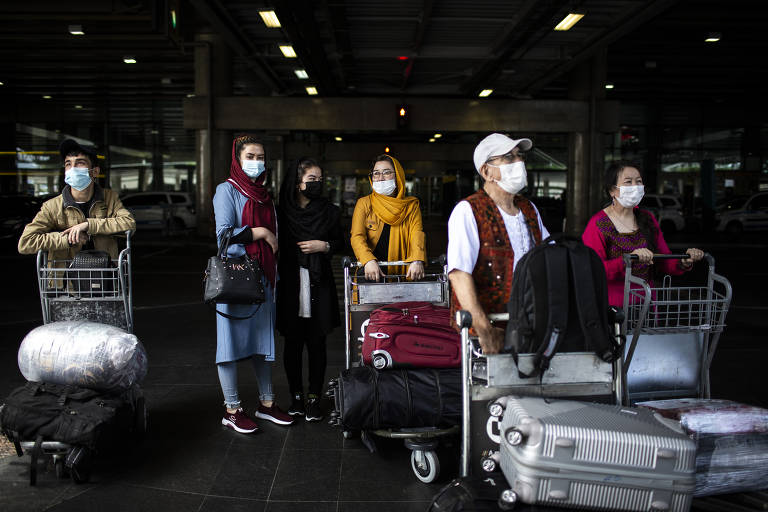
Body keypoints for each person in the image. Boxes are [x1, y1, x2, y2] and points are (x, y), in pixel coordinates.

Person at [213, 135, 294, 434]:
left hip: (263, 278)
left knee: (262, 343)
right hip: (236, 278)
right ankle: (232, 409)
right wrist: (260, 232)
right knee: (229, 345)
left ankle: (267, 404)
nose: (256, 162)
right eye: (250, 156)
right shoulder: (226, 191)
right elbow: (223, 235)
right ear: (237, 159)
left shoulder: (264, 195)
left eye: (260, 156)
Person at [448, 133, 550, 354]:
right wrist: (485, 330)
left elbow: (548, 256)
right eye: (509, 158)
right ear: (487, 172)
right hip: (490, 330)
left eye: (519, 156)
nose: (519, 162)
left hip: (529, 324)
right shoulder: (468, 211)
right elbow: (459, 274)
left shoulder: (529, 209)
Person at [582, 161, 704, 308]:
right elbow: (594, 270)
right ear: (612, 191)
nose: (635, 186)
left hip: (646, 306)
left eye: (638, 182)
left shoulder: (647, 218)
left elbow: (664, 259)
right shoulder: (598, 224)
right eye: (628, 182)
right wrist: (629, 259)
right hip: (613, 310)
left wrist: (684, 261)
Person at [276, 158, 343, 422]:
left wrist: (323, 246)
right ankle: (295, 397)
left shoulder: (329, 211)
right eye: (311, 180)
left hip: (319, 282)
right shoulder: (281, 212)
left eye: (319, 179)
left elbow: (341, 240)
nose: (316, 184)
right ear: (297, 182)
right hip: (291, 282)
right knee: (292, 343)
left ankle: (314, 397)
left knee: (317, 343)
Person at [18, 139, 136, 261]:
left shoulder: (109, 198)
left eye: (80, 163)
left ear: (95, 171)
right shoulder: (52, 206)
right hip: (66, 278)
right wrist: (68, 238)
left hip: (104, 275)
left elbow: (129, 223)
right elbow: (26, 243)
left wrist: (88, 225)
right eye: (68, 164)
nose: (72, 169)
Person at [350, 153, 425, 281]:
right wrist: (368, 260)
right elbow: (357, 236)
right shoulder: (364, 203)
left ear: (398, 176)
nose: (380, 178)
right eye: (376, 173)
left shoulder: (411, 205)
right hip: (372, 272)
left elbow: (416, 233)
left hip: (404, 272)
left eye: (386, 172)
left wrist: (417, 259)